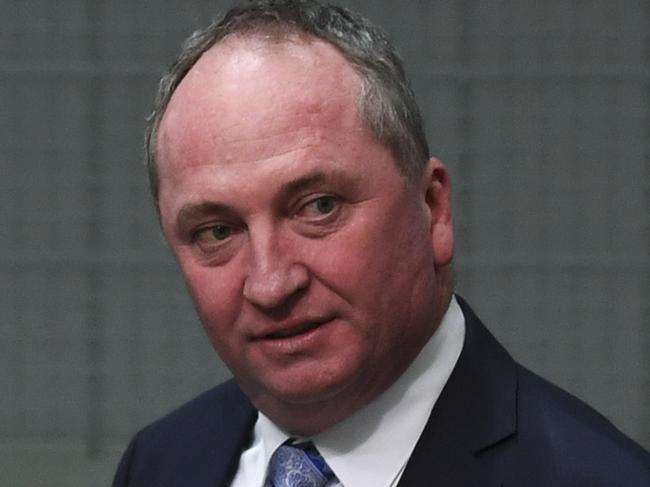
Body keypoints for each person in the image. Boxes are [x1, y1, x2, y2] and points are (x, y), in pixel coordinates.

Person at [113, 1, 650, 485]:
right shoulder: (160, 462)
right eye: (218, 232)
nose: (271, 283)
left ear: (433, 210)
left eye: (318, 207)